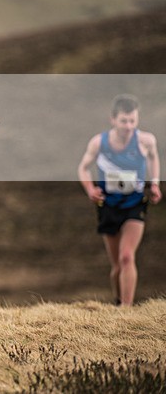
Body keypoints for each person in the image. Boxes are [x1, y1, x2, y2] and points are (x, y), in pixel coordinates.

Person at [77, 94, 161, 306]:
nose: (129, 126)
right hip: (108, 206)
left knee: (126, 257)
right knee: (116, 265)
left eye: (133, 120)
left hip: (134, 204)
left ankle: (126, 308)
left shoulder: (146, 141)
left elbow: (153, 157)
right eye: (124, 121)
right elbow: (83, 168)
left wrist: (155, 183)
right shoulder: (99, 143)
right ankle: (118, 302)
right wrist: (90, 189)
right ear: (113, 119)